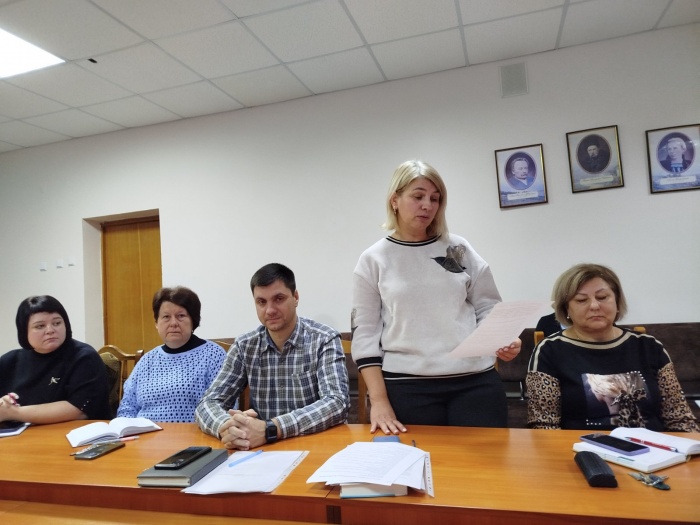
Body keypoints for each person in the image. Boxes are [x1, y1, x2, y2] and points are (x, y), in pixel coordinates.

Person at [351, 160, 521, 435]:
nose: (427, 205)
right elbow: (366, 334)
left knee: (487, 461)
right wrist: (379, 400)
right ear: (395, 200)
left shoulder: (458, 249)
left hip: (475, 381)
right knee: (419, 462)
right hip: (406, 386)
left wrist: (502, 339)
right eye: (418, 196)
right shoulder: (374, 259)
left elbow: (488, 305)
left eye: (435, 198)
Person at [526, 263, 699, 432]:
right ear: (566, 309)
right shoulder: (550, 350)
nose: (594, 306)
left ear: (617, 301)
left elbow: (679, 418)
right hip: (580, 448)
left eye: (602, 297)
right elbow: (544, 427)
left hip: (654, 447)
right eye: (581, 300)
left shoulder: (649, 346)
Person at [195, 263, 349, 450]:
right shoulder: (245, 346)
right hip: (263, 452)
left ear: (295, 297)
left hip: (317, 446)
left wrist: (271, 428)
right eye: (261, 302)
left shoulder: (324, 339)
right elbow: (208, 402)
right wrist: (228, 428)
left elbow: (336, 403)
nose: (270, 310)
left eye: (279, 299)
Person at [117, 286, 226, 422]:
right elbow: (127, 408)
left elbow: (223, 407)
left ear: (193, 320)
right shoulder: (147, 360)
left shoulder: (213, 355)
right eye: (166, 317)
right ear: (156, 323)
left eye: (181, 316)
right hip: (144, 434)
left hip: (193, 434)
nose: (173, 323)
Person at [0, 295, 111, 424]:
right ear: (24, 331)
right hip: (21, 433)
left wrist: (14, 413)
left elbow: (79, 410)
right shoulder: (9, 361)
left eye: (57, 323)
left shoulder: (84, 357)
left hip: (73, 432)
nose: (50, 330)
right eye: (40, 326)